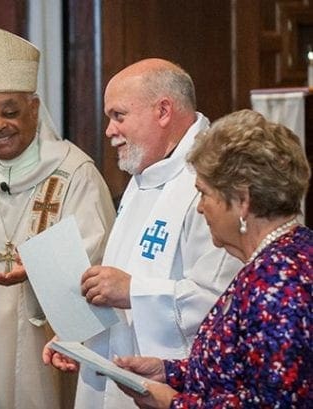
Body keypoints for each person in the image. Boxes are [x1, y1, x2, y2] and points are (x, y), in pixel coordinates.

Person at [0, 25, 116, 408]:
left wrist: (42, 272)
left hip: (52, 345)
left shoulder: (74, 174)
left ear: (34, 109)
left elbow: (96, 256)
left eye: (10, 112)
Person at [42, 58, 243, 408]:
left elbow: (221, 301)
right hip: (121, 369)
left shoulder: (215, 179)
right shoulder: (146, 171)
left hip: (176, 382)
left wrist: (134, 291)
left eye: (118, 116)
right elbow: (119, 276)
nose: (109, 130)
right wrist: (80, 335)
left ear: (163, 110)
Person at [114, 109, 312, 408]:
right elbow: (238, 370)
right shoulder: (284, 253)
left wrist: (174, 404)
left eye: (205, 194)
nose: (200, 208)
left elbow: (273, 403)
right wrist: (168, 371)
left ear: (243, 201)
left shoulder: (278, 281)